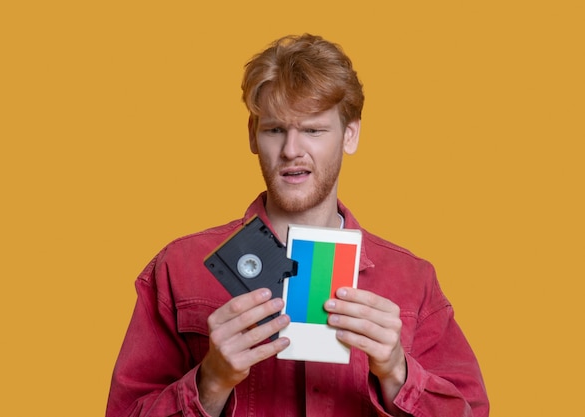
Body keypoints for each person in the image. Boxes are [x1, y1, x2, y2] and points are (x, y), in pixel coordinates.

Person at [106, 33, 489, 417]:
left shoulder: (413, 281)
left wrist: (397, 373)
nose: (291, 150)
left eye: (313, 130)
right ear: (253, 135)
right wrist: (210, 382)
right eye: (275, 129)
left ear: (350, 135)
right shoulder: (179, 267)